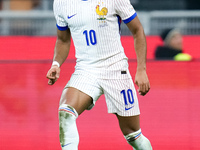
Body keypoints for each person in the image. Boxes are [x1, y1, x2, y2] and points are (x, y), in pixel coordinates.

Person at [46, 0, 152, 149]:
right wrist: (56, 64)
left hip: (115, 69)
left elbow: (137, 30)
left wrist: (141, 70)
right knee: (65, 113)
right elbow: (63, 40)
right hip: (85, 69)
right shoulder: (61, 3)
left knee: (133, 135)